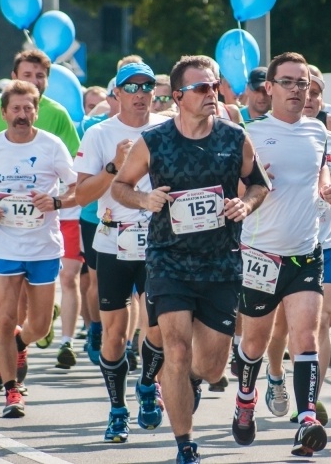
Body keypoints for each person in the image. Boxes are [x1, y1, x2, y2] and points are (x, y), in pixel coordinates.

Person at [111, 54, 270, 464]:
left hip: (220, 265)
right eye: (201, 88)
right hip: (169, 262)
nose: (210, 94)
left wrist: (246, 205)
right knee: (177, 351)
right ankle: (185, 444)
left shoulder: (235, 138)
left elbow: (259, 185)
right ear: (178, 96)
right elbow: (120, 187)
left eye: (214, 86)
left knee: (213, 367)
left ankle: (193, 380)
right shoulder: (155, 140)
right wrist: (144, 198)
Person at [232, 52, 331, 457]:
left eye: (304, 83)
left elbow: (323, 177)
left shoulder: (319, 132)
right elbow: (232, 190)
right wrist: (248, 189)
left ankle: (307, 418)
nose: (298, 90)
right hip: (261, 254)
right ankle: (245, 400)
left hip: (305, 252)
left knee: (306, 337)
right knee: (256, 342)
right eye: (289, 82)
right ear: (269, 88)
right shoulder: (248, 133)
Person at [0, 80, 77, 418]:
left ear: (36, 112)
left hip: (43, 246)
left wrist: (55, 201)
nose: (22, 115)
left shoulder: (52, 145)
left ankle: (19, 343)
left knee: (39, 325)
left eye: (29, 108)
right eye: (16, 109)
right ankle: (12, 390)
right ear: (4, 112)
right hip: (5, 245)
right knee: (4, 313)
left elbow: (76, 187)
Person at [74, 62, 170, 443]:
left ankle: (148, 385)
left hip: (160, 241)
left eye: (148, 85)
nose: (142, 93)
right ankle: (117, 410)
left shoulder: (169, 127)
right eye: (132, 86)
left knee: (159, 325)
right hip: (113, 240)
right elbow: (81, 195)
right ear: (116, 94)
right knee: (113, 333)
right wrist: (115, 165)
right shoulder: (99, 134)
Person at [264, 70, 331, 424]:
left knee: (322, 321)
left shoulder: (327, 135)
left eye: (315, 92)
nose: (310, 97)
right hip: (280, 243)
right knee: (279, 327)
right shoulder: (263, 133)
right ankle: (275, 374)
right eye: (305, 88)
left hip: (324, 241)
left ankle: (310, 401)